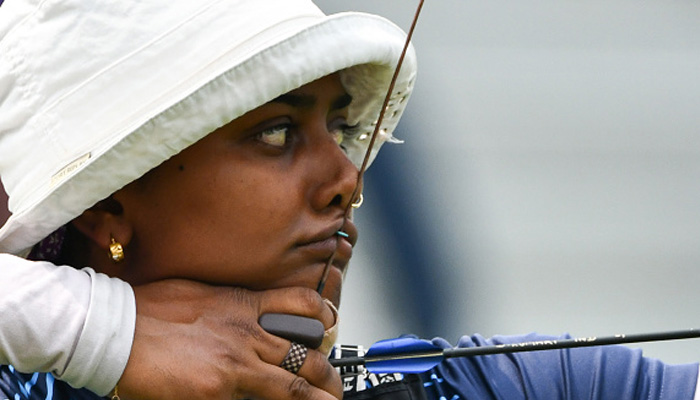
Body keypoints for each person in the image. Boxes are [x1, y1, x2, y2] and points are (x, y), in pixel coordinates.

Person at [0, 1, 697, 400]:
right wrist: (100, 333)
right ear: (106, 205)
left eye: (338, 127)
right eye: (275, 132)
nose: (349, 179)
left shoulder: (492, 386)